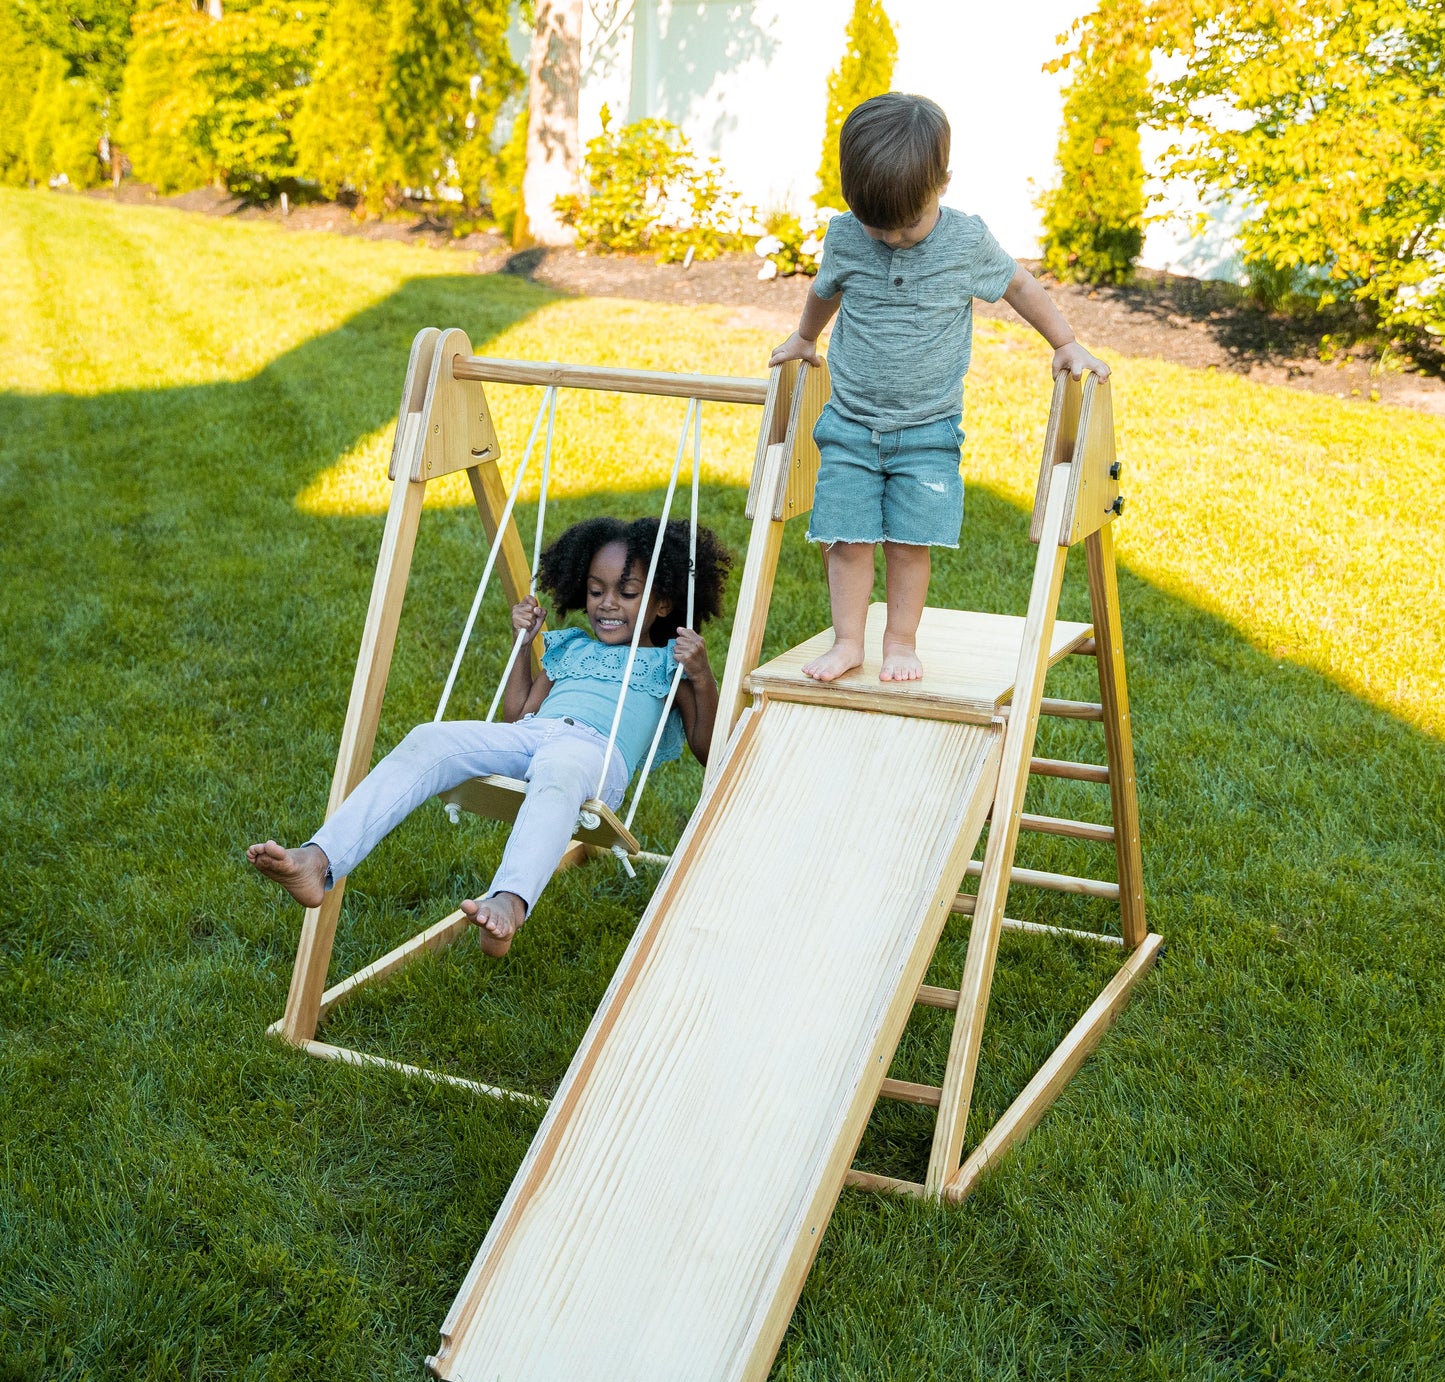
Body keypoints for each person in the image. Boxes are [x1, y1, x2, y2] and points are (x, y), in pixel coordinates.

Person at [248, 517, 730, 957]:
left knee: (557, 771)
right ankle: (320, 858)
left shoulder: (672, 665)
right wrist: (525, 646)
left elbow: (709, 750)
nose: (606, 604)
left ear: (662, 601)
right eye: (595, 590)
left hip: (593, 759)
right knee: (428, 738)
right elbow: (519, 712)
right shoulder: (573, 648)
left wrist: (703, 676)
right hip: (533, 734)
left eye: (627, 593)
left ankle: (509, 902)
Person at [769, 92, 1112, 684]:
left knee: (909, 543)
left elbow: (1021, 287)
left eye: (908, 225)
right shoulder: (848, 236)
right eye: (880, 227)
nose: (894, 239)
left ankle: (900, 643)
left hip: (927, 431)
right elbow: (825, 289)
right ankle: (849, 641)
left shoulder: (965, 242)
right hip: (849, 422)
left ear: (942, 184)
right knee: (845, 540)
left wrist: (1065, 341)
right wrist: (804, 337)